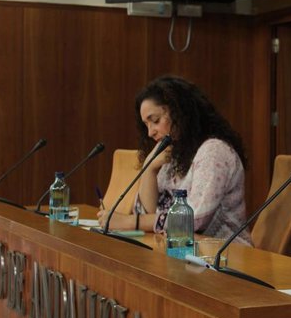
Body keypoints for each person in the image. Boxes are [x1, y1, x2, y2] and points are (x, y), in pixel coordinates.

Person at [97, 75, 251, 245]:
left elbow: (192, 220)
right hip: (181, 251)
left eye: (155, 121)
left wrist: (130, 222)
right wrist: (149, 168)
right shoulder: (175, 153)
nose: (150, 132)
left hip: (224, 257)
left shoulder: (214, 151)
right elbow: (145, 212)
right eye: (146, 125)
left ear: (180, 112)